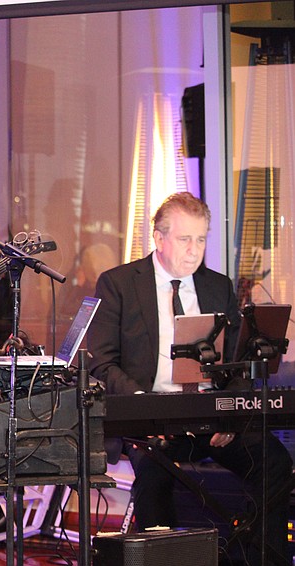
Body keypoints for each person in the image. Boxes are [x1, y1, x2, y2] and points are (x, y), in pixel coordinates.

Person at [88, 191, 293, 564]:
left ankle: (255, 556)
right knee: (154, 475)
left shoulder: (217, 286)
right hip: (151, 422)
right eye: (185, 239)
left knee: (274, 461)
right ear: (159, 238)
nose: (194, 250)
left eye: (201, 239)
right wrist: (142, 408)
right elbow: (100, 363)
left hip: (211, 417)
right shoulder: (118, 284)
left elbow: (237, 360)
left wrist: (230, 414)